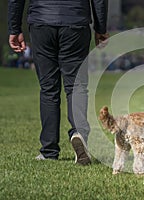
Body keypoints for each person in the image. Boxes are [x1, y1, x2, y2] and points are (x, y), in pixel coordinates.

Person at [8, 0, 109, 165]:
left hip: (42, 21)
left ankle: (49, 150)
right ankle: (79, 134)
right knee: (76, 86)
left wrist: (14, 28)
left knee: (48, 89)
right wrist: (101, 28)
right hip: (76, 21)